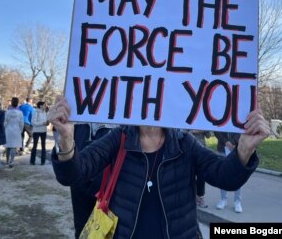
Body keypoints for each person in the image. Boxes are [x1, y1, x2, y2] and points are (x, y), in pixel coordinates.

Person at [49, 97, 270, 239]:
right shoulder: (119, 139)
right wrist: (66, 139)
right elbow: (74, 174)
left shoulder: (185, 143)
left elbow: (226, 178)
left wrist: (244, 150)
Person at [69, 122, 116, 238]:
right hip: (80, 184)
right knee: (83, 229)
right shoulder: (78, 120)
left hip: (110, 186)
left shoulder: (121, 123)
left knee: (108, 229)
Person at [214, 131, 243, 213]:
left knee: (237, 175)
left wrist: (233, 142)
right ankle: (223, 199)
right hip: (222, 149)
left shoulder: (239, 118)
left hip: (236, 148)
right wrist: (226, 142)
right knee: (222, 174)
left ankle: (237, 201)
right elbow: (217, 130)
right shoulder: (220, 117)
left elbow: (241, 130)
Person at [186, 129, 212, 209]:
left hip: (202, 151)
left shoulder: (202, 122)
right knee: (189, 176)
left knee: (201, 176)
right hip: (188, 151)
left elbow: (209, 136)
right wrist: (192, 131)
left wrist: (199, 130)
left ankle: (200, 197)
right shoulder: (187, 120)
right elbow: (182, 133)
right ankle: (191, 198)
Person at [4, 97, 24, 168]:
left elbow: (5, 122)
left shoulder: (7, 112)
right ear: (17, 103)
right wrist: (20, 130)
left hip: (8, 130)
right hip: (16, 130)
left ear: (11, 103)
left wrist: (5, 129)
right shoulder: (20, 113)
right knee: (13, 147)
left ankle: (7, 161)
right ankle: (11, 161)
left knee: (8, 146)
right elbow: (22, 123)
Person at [30, 101, 49, 165]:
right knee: (35, 146)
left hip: (44, 131)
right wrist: (42, 123)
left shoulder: (46, 112)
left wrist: (47, 123)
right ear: (40, 106)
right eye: (44, 105)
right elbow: (33, 122)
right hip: (36, 131)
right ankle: (32, 161)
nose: (45, 106)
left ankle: (43, 161)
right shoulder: (36, 112)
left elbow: (47, 120)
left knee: (43, 146)